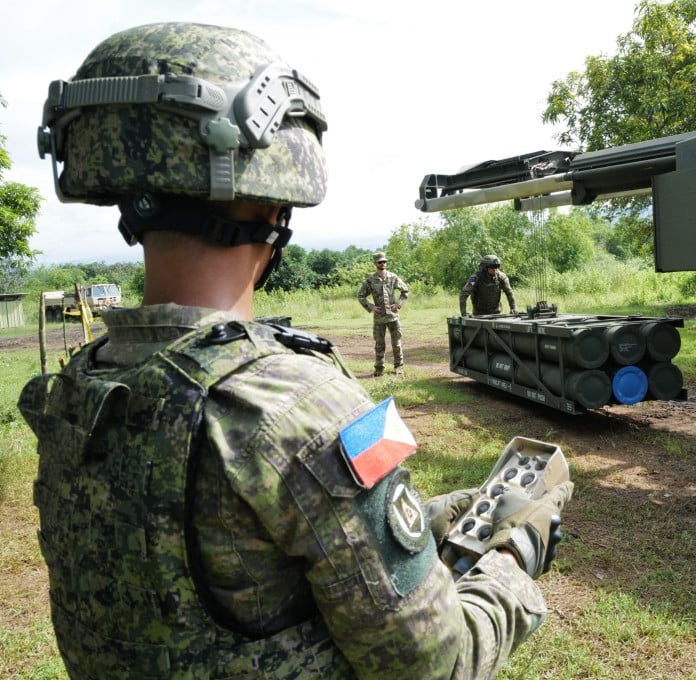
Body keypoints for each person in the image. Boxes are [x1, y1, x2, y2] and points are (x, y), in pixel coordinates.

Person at [19, 22, 572, 679]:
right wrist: (516, 558)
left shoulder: (85, 382)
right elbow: (435, 662)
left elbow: (274, 547)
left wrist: (439, 515)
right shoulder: (295, 403)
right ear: (270, 195)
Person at [357, 251, 409, 377]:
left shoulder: (393, 277)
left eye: (384, 261)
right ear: (375, 263)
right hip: (379, 318)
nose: (383, 264)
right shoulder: (370, 280)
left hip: (393, 317)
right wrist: (371, 307)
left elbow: (405, 290)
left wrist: (398, 304)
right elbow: (361, 296)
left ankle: (399, 367)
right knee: (379, 344)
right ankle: (379, 368)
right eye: (380, 262)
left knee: (396, 344)